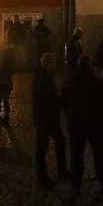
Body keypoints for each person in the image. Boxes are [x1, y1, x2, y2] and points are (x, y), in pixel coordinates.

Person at [60, 54, 103, 202]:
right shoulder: (97, 82)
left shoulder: (70, 82)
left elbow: (62, 102)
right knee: (99, 153)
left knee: (77, 155)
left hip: (77, 124)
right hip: (95, 123)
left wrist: (70, 114)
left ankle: (76, 185)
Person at [32, 53, 69, 186]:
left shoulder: (44, 77)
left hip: (48, 118)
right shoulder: (43, 79)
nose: (55, 65)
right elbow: (46, 100)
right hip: (45, 118)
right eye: (53, 63)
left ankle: (61, 171)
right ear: (47, 64)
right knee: (42, 148)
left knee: (59, 141)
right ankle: (43, 177)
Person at [0, 47, 16, 127]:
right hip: (8, 84)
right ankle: (6, 118)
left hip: (2, 84)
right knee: (5, 101)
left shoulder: (5, 64)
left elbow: (0, 75)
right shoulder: (12, 63)